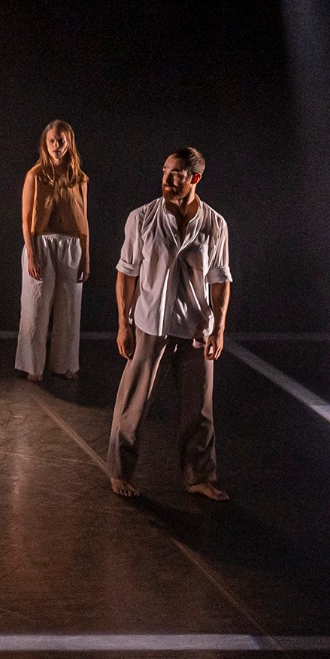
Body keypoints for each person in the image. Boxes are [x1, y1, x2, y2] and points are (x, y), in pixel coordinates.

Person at [107, 147, 232, 501]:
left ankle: (198, 476)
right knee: (132, 405)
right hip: (150, 323)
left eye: (176, 173)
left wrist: (219, 328)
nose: (167, 178)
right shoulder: (142, 217)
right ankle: (120, 471)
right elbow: (126, 273)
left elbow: (220, 280)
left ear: (194, 178)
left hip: (195, 327)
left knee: (199, 409)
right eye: (165, 170)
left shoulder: (214, 224)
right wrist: (124, 322)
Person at [16, 120, 90, 382]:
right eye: (52, 141)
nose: (56, 146)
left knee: (70, 309)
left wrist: (86, 256)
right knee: (36, 305)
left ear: (69, 142)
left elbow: (83, 219)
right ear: (45, 144)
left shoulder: (79, 177)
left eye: (61, 141)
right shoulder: (35, 175)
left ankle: (66, 363)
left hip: (71, 246)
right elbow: (26, 219)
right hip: (42, 242)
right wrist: (33, 254)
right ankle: (33, 365)